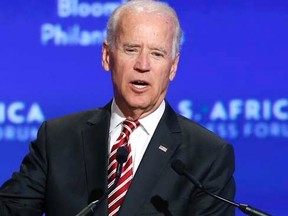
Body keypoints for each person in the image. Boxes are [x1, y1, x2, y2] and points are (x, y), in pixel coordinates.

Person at [0, 0, 235, 215]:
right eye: (131, 49)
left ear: (173, 67)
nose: (143, 65)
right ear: (106, 56)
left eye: (157, 53)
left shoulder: (207, 156)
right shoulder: (57, 138)